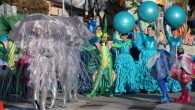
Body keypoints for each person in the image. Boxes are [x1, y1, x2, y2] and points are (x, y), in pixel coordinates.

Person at [82, 32, 132, 97]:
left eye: (105, 37)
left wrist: (129, 41)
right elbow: (88, 49)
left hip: (109, 62)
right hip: (102, 63)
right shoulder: (98, 45)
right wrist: (81, 46)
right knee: (98, 77)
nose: (104, 39)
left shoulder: (109, 44)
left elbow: (120, 46)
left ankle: (110, 92)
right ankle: (93, 91)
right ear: (101, 38)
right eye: (103, 37)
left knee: (110, 76)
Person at [137, 20, 160, 93]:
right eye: (148, 30)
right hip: (146, 56)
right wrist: (139, 22)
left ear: (152, 31)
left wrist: (154, 23)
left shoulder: (155, 37)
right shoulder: (145, 37)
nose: (149, 31)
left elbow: (157, 31)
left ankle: (155, 87)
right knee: (147, 71)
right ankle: (147, 87)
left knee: (154, 71)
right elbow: (141, 30)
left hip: (153, 55)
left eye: (150, 30)